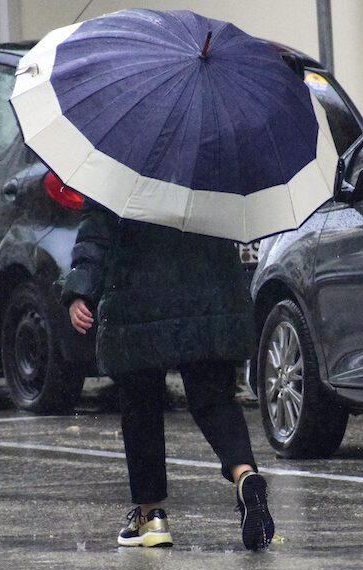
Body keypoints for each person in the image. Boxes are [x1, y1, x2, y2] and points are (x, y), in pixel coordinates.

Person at [60, 204, 274, 551]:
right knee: (216, 399)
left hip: (138, 301)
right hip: (210, 298)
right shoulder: (211, 160)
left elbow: (96, 233)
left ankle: (151, 516)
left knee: (141, 406)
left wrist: (79, 291)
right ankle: (244, 474)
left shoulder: (124, 161)